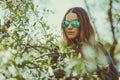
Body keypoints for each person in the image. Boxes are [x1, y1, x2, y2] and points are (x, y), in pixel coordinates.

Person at [60, 7, 118, 80]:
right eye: (66, 23)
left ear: (83, 25)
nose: (69, 27)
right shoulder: (60, 51)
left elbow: (113, 76)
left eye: (74, 23)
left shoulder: (97, 48)